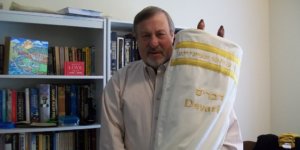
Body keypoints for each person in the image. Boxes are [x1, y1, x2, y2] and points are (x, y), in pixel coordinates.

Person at [100, 6, 243, 150]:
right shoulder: (119, 82)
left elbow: (231, 143)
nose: (153, 43)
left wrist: (210, 71)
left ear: (173, 36)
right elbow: (110, 143)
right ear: (136, 39)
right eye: (145, 36)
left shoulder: (202, 79)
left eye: (160, 34)